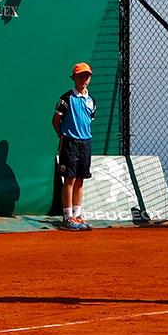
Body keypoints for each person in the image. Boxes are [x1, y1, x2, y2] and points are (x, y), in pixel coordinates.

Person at [51, 62, 96, 230]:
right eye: (80, 76)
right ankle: (67, 216)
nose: (84, 79)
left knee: (80, 179)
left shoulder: (92, 101)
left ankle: (78, 215)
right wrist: (63, 136)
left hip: (86, 142)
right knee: (69, 179)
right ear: (74, 78)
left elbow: (89, 120)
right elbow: (55, 121)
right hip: (69, 142)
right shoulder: (66, 99)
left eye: (87, 76)